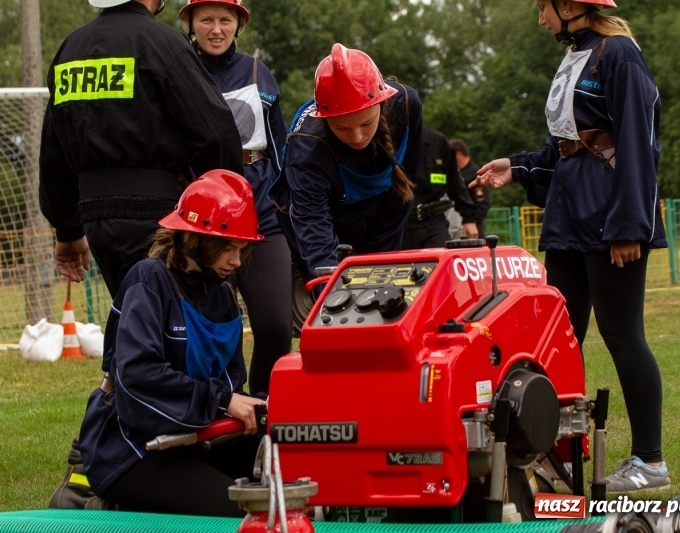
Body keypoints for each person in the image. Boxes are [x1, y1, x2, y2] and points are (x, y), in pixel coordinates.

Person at [472, 0, 668, 493]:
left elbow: (638, 142)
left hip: (609, 217)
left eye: (544, 7)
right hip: (567, 215)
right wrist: (515, 167)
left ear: (571, 5)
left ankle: (650, 462)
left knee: (623, 336)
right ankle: (553, 453)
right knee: (558, 341)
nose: (540, 18)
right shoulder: (575, 55)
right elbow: (565, 144)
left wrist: (628, 226)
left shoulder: (619, 54)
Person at [74, 170, 267, 515]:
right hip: (132, 449)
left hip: (195, 439)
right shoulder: (148, 280)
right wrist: (224, 402)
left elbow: (230, 384)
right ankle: (106, 500)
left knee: (295, 465)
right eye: (227, 248)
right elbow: (138, 378)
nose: (236, 261)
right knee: (245, 510)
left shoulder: (222, 295)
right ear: (194, 239)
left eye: (242, 249)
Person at [39, 0, 244, 299]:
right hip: (158, 217)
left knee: (131, 314)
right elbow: (216, 133)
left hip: (95, 218)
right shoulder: (162, 43)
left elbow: (53, 152)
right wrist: (224, 211)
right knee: (167, 320)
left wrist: (68, 231)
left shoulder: (70, 49)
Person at [179, 0, 292, 395]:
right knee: (210, 329)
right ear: (191, 23)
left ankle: (267, 415)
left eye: (225, 20)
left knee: (277, 326)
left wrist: (285, 208)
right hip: (204, 221)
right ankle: (220, 416)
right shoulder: (178, 69)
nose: (215, 29)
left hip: (261, 214)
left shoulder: (259, 72)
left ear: (237, 25)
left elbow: (279, 150)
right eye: (205, 19)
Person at [269, 43, 423, 290]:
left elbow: (401, 191)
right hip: (316, 214)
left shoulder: (405, 106)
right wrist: (336, 294)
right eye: (341, 128)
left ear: (381, 105)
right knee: (339, 297)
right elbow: (317, 242)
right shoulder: (306, 151)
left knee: (383, 287)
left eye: (366, 123)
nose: (357, 137)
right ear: (326, 119)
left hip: (379, 203)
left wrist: (381, 268)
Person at [402, 127, 479, 250]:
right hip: (399, 225)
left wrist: (469, 218)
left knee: (443, 264)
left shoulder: (438, 142)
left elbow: (455, 183)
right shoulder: (387, 139)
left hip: (433, 223)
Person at [451, 138, 491, 238]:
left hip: (473, 228)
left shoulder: (475, 174)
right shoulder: (459, 173)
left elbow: (482, 203)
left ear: (458, 155)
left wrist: (471, 222)